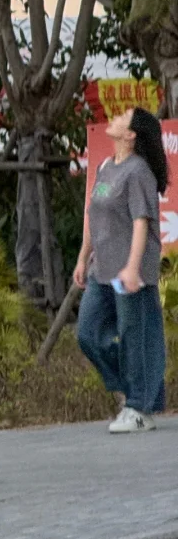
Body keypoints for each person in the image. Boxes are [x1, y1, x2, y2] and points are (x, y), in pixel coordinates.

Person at [75, 105, 170, 433]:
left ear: (130, 135)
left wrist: (132, 268)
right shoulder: (105, 167)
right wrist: (82, 258)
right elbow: (93, 215)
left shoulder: (138, 172)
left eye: (122, 118)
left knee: (134, 335)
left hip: (129, 273)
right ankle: (137, 389)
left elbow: (141, 222)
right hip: (102, 270)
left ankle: (139, 408)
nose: (114, 118)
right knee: (88, 333)